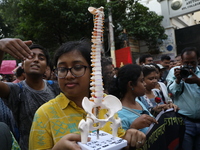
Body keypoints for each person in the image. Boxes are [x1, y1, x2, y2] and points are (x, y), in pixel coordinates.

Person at [29, 40, 146, 150]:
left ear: (93, 71)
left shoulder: (107, 104)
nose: (69, 75)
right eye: (62, 69)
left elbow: (118, 138)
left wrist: (130, 135)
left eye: (77, 67)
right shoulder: (45, 114)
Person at [0, 39, 61, 150]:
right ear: (22, 65)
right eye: (30, 56)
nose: (36, 60)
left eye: (41, 58)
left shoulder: (56, 87)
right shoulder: (16, 90)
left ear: (46, 67)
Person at [166, 47, 200, 150]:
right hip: (184, 121)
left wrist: (198, 81)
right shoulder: (174, 71)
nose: (189, 66)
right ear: (181, 60)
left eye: (193, 63)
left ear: (198, 60)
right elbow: (171, 92)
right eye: (186, 63)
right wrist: (178, 80)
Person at [109, 64, 157, 134]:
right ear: (131, 84)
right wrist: (133, 127)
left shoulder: (137, 101)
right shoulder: (119, 114)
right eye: (141, 81)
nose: (145, 84)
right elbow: (122, 141)